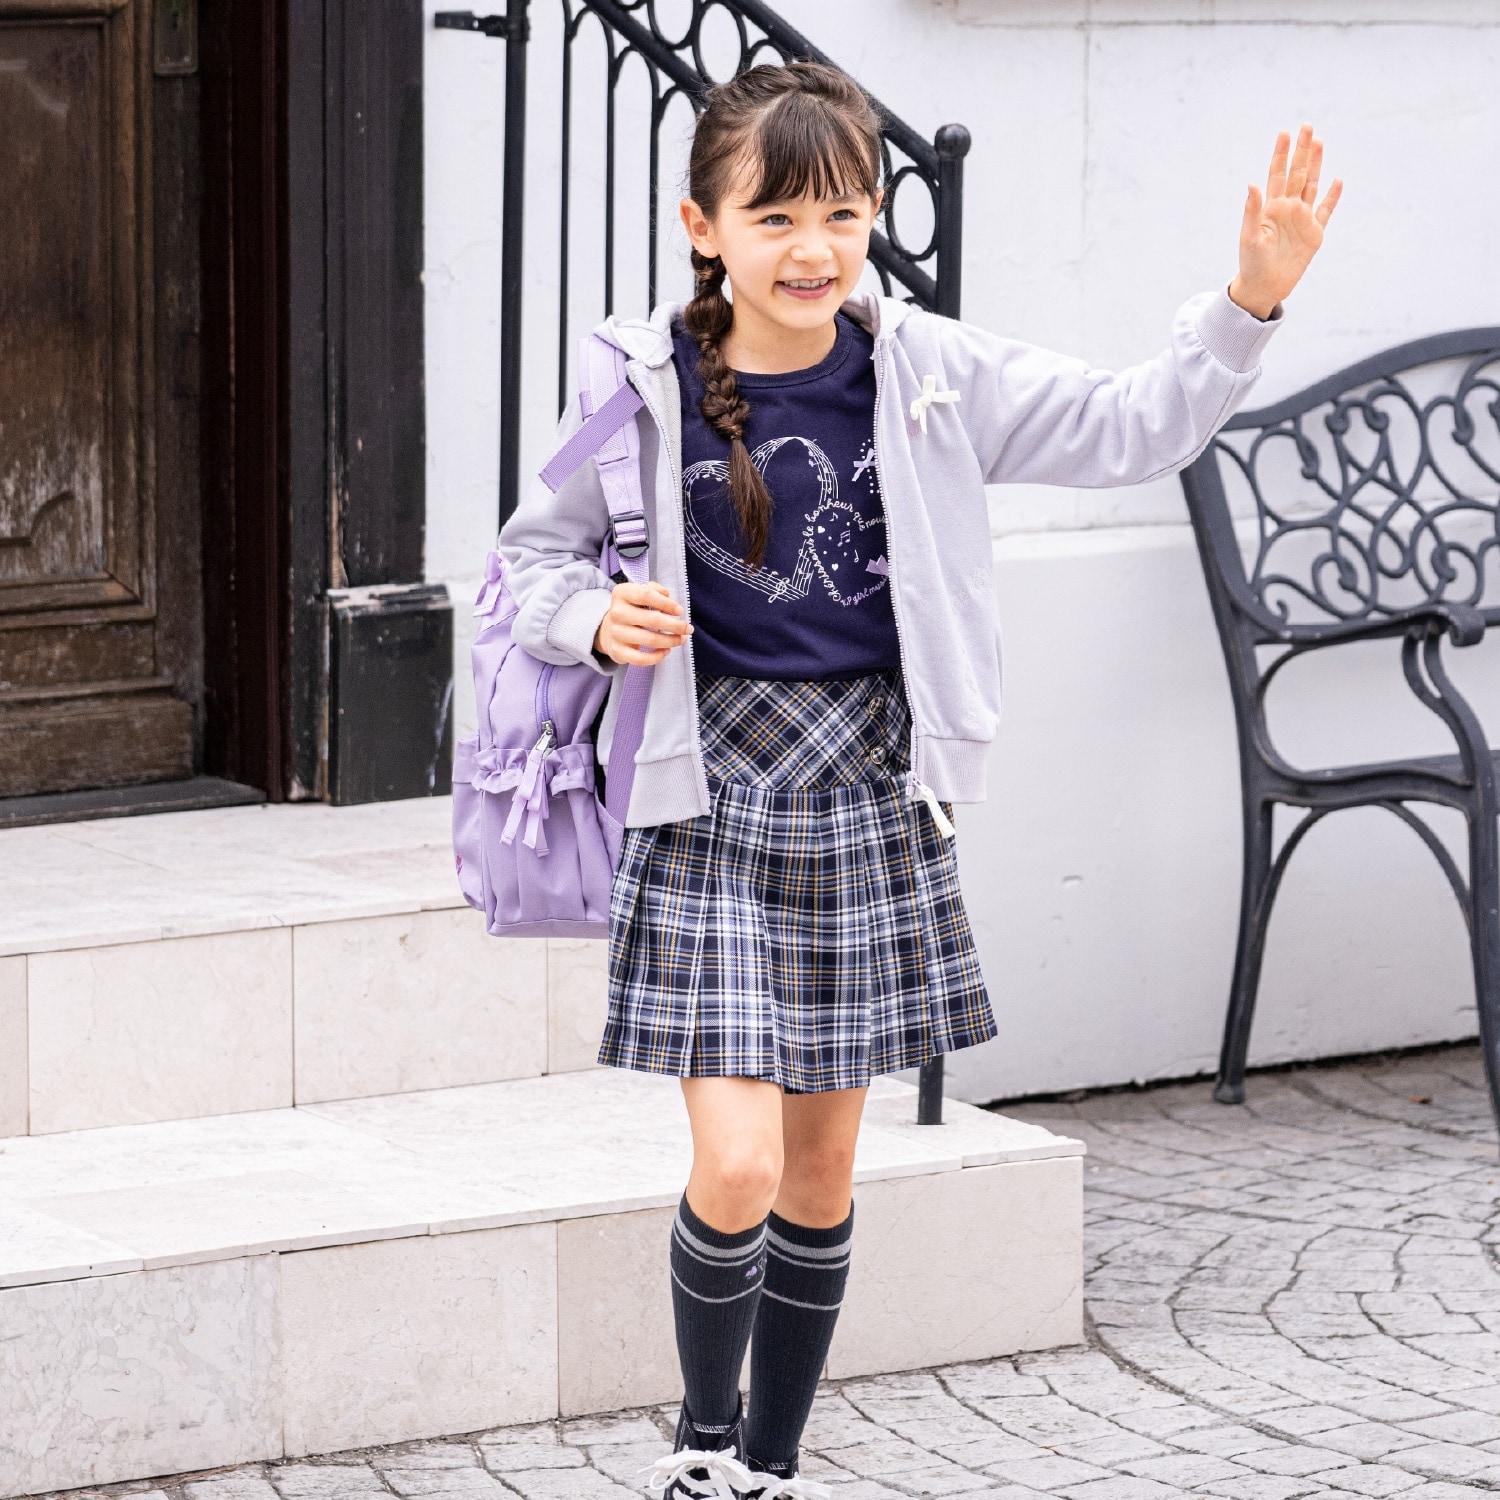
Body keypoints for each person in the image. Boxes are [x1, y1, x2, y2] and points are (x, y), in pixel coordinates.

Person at [497, 59, 1340, 1500]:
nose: (812, 249)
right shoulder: (637, 387)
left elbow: (1132, 424)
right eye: (774, 218)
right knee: (739, 1168)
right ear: (703, 227)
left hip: (867, 794)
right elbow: (531, 559)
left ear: (875, 215)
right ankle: (700, 1454)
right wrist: (591, 617)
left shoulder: (930, 370)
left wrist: (1249, 303)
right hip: (706, 802)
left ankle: (772, 1467)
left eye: (841, 212)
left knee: (822, 1178)